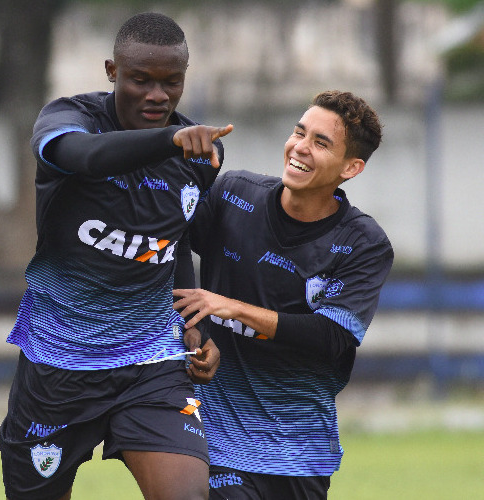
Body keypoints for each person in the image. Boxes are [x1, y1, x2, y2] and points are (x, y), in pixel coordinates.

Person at [0, 12, 231, 500]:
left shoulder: (197, 155)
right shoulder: (69, 118)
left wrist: (193, 321)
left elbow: (175, 238)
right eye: (141, 80)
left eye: (172, 82)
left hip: (152, 364)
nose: (157, 95)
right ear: (112, 71)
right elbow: (82, 156)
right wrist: (165, 141)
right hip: (58, 366)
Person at [173, 90, 394, 499]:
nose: (300, 148)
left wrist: (234, 308)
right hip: (218, 437)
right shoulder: (234, 194)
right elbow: (170, 240)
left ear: (352, 167)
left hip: (301, 449)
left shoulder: (364, 243)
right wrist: (195, 333)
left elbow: (332, 336)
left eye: (320, 143)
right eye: (299, 132)